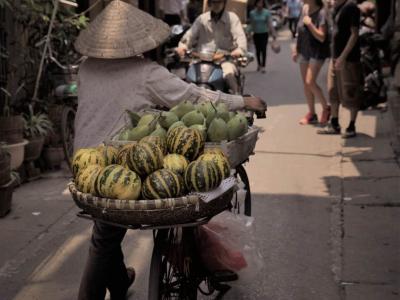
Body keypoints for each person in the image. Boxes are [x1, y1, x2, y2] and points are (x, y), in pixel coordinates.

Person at [73, 1, 266, 299]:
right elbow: (195, 97)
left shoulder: (86, 67)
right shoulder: (146, 72)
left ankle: (121, 282)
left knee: (107, 226)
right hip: (121, 163)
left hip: (84, 164)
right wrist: (243, 102)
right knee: (106, 236)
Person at [176, 0, 247, 94]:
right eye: (214, 2)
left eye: (219, 2)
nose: (216, 5)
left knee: (229, 74)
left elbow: (240, 37)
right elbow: (190, 35)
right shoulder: (202, 19)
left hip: (224, 60)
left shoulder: (232, 18)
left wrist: (239, 50)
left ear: (224, 3)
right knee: (186, 77)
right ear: (210, 3)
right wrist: (182, 46)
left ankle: (236, 98)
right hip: (200, 59)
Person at [318, 0, 362, 138]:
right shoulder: (336, 8)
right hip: (335, 58)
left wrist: (343, 57)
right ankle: (335, 123)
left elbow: (354, 34)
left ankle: (352, 125)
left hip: (348, 59)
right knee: (333, 92)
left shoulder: (351, 7)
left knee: (350, 92)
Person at [292, 0, 331, 125]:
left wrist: (310, 24)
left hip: (317, 51)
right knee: (306, 84)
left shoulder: (321, 13)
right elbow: (299, 31)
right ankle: (312, 113)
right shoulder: (304, 8)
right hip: (304, 50)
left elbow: (322, 36)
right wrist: (296, 49)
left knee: (310, 82)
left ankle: (326, 108)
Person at [248, 0, 277, 73]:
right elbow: (251, 24)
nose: (260, 4)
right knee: (257, 50)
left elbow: (270, 23)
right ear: (256, 3)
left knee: (263, 50)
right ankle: (259, 64)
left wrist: (273, 33)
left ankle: (263, 66)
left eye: (261, 3)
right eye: (258, 3)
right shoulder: (252, 13)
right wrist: (248, 33)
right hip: (256, 34)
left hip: (264, 33)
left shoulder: (266, 12)